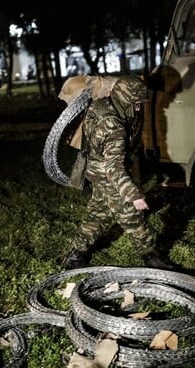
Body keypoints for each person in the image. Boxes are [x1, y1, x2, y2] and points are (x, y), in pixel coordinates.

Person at [62, 75, 176, 270]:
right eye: (137, 102)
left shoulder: (102, 104)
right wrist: (133, 195)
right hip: (108, 175)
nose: (139, 107)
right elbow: (113, 166)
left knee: (99, 214)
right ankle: (152, 257)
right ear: (126, 98)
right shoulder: (114, 126)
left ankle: (75, 255)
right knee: (133, 217)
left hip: (96, 169)